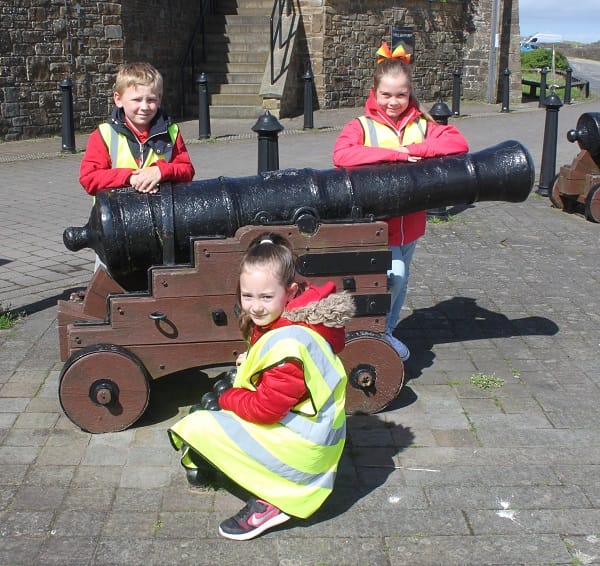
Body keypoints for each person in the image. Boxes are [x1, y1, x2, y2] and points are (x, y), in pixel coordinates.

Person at [168, 232, 355, 541]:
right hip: (311, 435)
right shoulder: (292, 322)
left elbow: (265, 409)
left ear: (290, 291)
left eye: (266, 297)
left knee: (198, 424)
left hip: (303, 458)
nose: (254, 307)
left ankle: (274, 500)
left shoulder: (290, 345)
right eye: (248, 296)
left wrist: (230, 398)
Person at [332, 42, 468, 361]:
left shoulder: (422, 125)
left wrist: (417, 150)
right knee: (392, 276)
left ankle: (387, 329)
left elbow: (457, 142)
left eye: (401, 95)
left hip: (412, 224)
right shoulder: (362, 126)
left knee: (401, 280)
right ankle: (380, 333)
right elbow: (342, 154)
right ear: (374, 92)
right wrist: (395, 154)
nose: (393, 102)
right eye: (387, 95)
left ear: (410, 94)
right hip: (380, 225)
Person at [79, 61, 195, 196]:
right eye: (137, 100)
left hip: (160, 212)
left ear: (160, 99)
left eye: (151, 100)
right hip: (117, 213)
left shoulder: (171, 132)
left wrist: (161, 171)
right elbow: (89, 178)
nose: (145, 107)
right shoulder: (104, 135)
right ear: (118, 99)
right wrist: (130, 177)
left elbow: (187, 171)